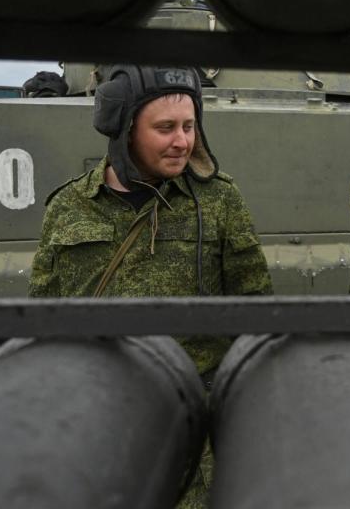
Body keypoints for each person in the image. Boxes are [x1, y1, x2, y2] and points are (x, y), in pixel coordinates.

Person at [28, 65, 272, 506]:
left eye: (189, 126)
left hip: (195, 434)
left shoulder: (219, 200)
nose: (182, 142)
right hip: (98, 423)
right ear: (124, 129)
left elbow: (256, 307)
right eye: (165, 128)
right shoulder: (68, 207)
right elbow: (44, 318)